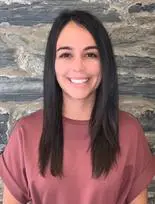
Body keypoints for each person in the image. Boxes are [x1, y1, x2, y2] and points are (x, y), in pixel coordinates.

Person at [0, 9, 154, 204]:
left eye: (90, 54)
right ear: (52, 64)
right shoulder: (25, 133)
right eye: (66, 55)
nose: (78, 67)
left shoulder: (129, 131)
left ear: (104, 62)